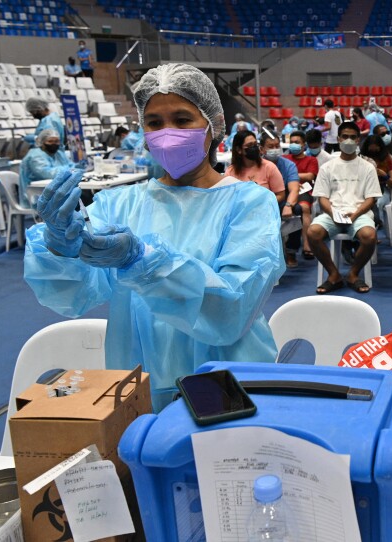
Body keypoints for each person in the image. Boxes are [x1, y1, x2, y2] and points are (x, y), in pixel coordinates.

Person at [24, 63, 284, 411]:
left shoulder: (249, 202)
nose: (167, 133)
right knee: (144, 442)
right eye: (154, 122)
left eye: (182, 119)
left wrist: (142, 261)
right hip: (139, 375)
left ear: (213, 124)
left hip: (226, 377)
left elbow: (231, 310)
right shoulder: (119, 204)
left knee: (217, 443)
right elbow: (74, 295)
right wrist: (60, 247)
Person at [307, 121, 381, 295]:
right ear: (338, 139)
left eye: (353, 137)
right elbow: (322, 197)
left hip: (359, 213)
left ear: (358, 140)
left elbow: (371, 199)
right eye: (345, 136)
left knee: (369, 236)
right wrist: (334, 214)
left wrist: (354, 215)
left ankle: (353, 274)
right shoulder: (327, 167)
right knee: (312, 232)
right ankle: (334, 274)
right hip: (332, 213)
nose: (349, 140)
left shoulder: (368, 167)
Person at [260, 131, 301, 267]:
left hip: (280, 201)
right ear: (262, 148)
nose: (275, 149)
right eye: (270, 146)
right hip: (260, 204)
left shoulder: (288, 165)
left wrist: (289, 205)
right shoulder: (256, 165)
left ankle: (291, 250)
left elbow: (294, 189)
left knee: (297, 209)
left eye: (277, 146)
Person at [284, 130, 320, 260]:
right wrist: (295, 179)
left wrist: (291, 176)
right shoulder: (284, 158)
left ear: (304, 145)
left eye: (297, 142)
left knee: (304, 208)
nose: (294, 144)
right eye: (292, 142)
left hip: (304, 191)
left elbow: (310, 176)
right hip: (286, 190)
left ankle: (307, 244)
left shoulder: (311, 160)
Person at [225, 130, 285, 204]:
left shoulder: (269, 167)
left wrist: (265, 204)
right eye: (249, 145)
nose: (254, 147)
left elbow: (281, 195)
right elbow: (228, 198)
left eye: (255, 144)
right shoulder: (230, 172)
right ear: (239, 150)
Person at [18, 129, 71, 206]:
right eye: (50, 141)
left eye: (56, 141)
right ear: (42, 142)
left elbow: (71, 165)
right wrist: (70, 169)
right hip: (37, 195)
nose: (54, 144)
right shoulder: (35, 156)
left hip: (55, 191)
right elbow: (47, 173)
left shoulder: (58, 154)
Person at [360, 134, 392, 226]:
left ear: (380, 147)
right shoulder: (362, 158)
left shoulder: (387, 158)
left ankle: (379, 221)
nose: (373, 151)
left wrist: (384, 175)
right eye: (371, 149)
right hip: (364, 189)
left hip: (382, 188)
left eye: (376, 148)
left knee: (378, 203)